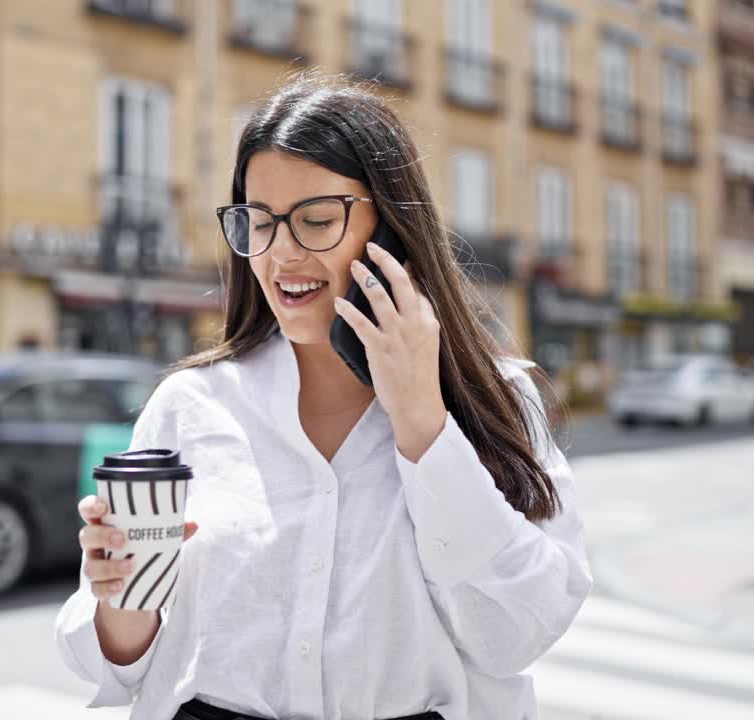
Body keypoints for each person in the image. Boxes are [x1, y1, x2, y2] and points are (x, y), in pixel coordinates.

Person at [54, 75, 592, 720]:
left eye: (315, 220)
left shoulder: (496, 399)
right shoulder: (190, 405)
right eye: (258, 222)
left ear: (391, 229)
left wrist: (424, 421)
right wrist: (122, 597)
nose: (281, 254)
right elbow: (119, 664)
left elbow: (517, 634)